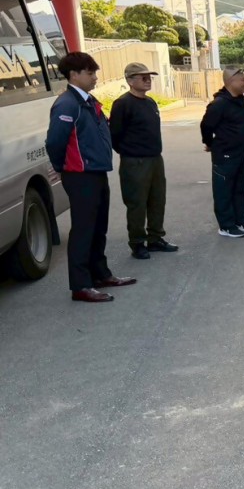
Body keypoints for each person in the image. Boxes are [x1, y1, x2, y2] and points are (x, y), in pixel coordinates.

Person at [44, 51, 137, 303]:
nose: (95, 77)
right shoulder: (67, 104)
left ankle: (100, 274)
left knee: (98, 226)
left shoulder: (87, 100)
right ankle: (81, 285)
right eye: (90, 72)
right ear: (74, 75)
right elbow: (54, 141)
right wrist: (61, 166)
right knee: (84, 230)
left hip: (95, 171)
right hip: (80, 175)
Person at [110, 62, 177, 260]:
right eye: (143, 77)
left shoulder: (150, 102)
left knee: (157, 200)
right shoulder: (123, 104)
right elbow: (114, 135)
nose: (148, 80)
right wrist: (130, 152)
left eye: (149, 77)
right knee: (137, 204)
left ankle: (155, 238)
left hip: (155, 159)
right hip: (135, 161)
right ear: (130, 80)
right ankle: (137, 242)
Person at [201, 66, 244, 238]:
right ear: (231, 81)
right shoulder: (219, 104)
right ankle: (226, 225)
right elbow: (206, 126)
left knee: (240, 189)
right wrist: (210, 144)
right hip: (225, 156)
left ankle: (241, 221)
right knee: (224, 192)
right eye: (242, 80)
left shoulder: (240, 100)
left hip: (240, 154)